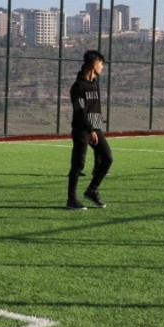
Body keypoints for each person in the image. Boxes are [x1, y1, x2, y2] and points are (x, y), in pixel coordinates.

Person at [67, 49, 112, 210]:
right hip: (82, 129)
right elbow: (80, 111)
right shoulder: (77, 87)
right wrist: (90, 129)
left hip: (95, 128)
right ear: (94, 64)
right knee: (78, 165)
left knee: (107, 158)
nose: (103, 67)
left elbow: (94, 108)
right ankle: (71, 200)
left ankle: (92, 191)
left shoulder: (94, 83)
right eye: (101, 64)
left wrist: (96, 127)